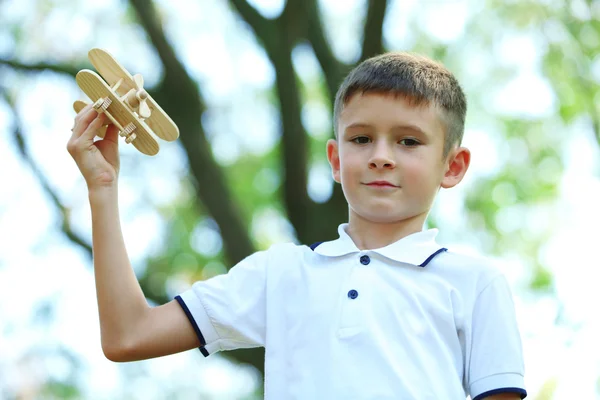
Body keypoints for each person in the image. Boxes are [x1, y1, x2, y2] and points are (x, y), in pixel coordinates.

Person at [67, 52, 526, 399]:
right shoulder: (280, 273)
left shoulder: (475, 284)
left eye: (408, 141)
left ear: (453, 166)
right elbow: (128, 336)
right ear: (335, 158)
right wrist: (102, 191)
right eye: (361, 138)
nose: (381, 155)